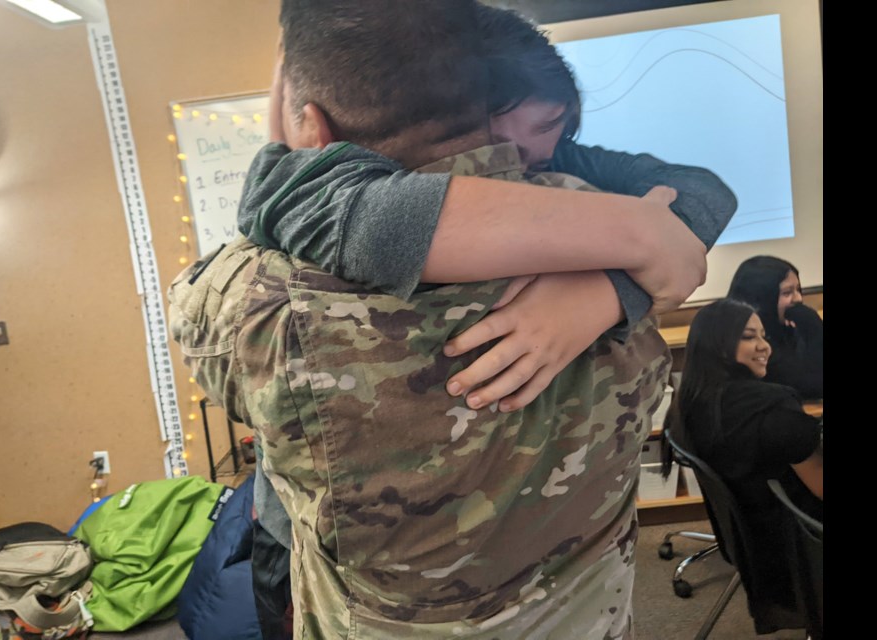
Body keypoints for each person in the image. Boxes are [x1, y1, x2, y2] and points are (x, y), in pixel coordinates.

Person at [170, 1, 715, 636]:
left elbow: (274, 190)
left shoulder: (253, 303)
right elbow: (697, 199)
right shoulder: (634, 233)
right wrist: (608, 288)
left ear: (312, 125)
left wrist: (294, 130)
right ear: (483, 100)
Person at [662, 298, 822, 609]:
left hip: (752, 537)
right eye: (749, 337)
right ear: (718, 344)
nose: (765, 346)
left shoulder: (688, 402)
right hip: (795, 542)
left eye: (763, 335)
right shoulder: (772, 412)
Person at [727, 256, 823, 399]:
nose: (798, 299)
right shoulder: (744, 338)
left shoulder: (787, 328)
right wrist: (814, 330)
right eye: (787, 293)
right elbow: (810, 385)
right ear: (761, 297)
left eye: (798, 290)